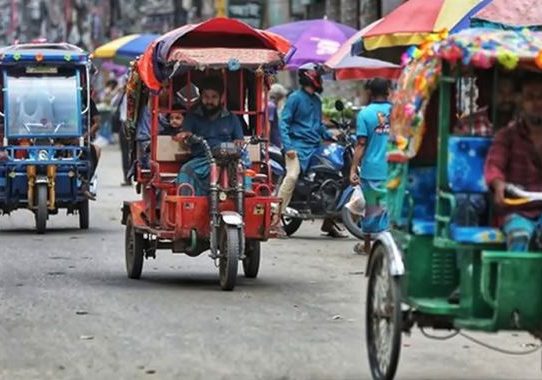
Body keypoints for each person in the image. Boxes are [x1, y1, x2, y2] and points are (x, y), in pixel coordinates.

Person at [274, 63, 344, 238]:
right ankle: (274, 221)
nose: (320, 80)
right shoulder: (295, 98)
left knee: (334, 175)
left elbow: (318, 125)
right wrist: (288, 147)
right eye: (319, 76)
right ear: (310, 77)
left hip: (314, 147)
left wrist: (331, 135)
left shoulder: (317, 101)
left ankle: (329, 223)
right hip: (296, 147)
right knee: (291, 176)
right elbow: (284, 123)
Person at [484, 75, 542, 251]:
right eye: (530, 98)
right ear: (520, 101)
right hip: (517, 210)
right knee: (519, 236)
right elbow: (494, 164)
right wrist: (498, 184)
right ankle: (514, 279)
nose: (537, 103)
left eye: (541, 97)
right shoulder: (507, 135)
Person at [175, 75, 244, 196]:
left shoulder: (232, 118)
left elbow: (239, 141)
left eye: (214, 97)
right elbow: (186, 134)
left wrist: (236, 144)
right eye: (206, 97)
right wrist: (185, 135)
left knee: (242, 167)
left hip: (227, 160)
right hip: (201, 160)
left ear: (221, 98)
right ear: (201, 97)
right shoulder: (192, 116)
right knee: (186, 170)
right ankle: (186, 206)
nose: (209, 101)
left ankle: (244, 194)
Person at [349, 78, 392, 238]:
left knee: (371, 209)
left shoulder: (365, 114)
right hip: (394, 168)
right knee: (390, 209)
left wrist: (353, 169)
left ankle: (368, 245)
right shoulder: (397, 112)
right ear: (388, 91)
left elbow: (361, 144)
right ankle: (389, 244)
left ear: (370, 92)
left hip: (371, 170)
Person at [268, 83, 288, 148]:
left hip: (276, 143)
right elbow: (268, 125)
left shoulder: (272, 106)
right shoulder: (271, 106)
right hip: (273, 144)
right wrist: (267, 143)